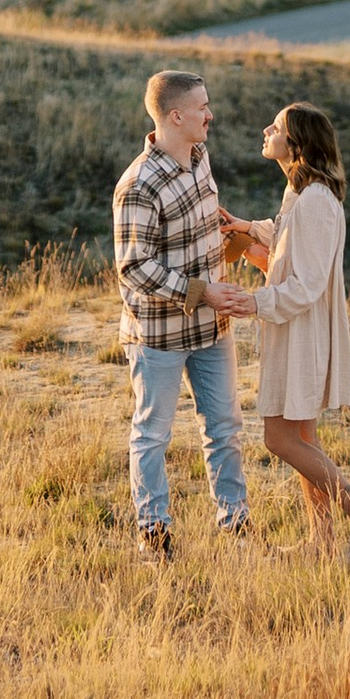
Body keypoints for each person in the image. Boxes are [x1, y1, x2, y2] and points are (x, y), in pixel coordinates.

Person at [211, 102, 350, 548]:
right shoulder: (302, 194)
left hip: (303, 333)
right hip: (293, 330)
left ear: (297, 143)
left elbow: (307, 283)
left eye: (277, 127)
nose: (266, 130)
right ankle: (320, 540)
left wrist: (252, 301)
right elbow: (288, 234)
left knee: (280, 440)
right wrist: (248, 228)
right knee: (304, 438)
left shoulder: (318, 201)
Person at [112, 68, 250, 562]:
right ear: (175, 115)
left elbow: (206, 215)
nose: (210, 115)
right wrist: (202, 292)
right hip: (159, 336)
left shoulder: (199, 157)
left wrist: (240, 233)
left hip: (213, 330)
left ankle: (236, 528)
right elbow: (134, 268)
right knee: (153, 434)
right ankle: (155, 535)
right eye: (202, 107)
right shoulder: (138, 185)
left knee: (226, 429)